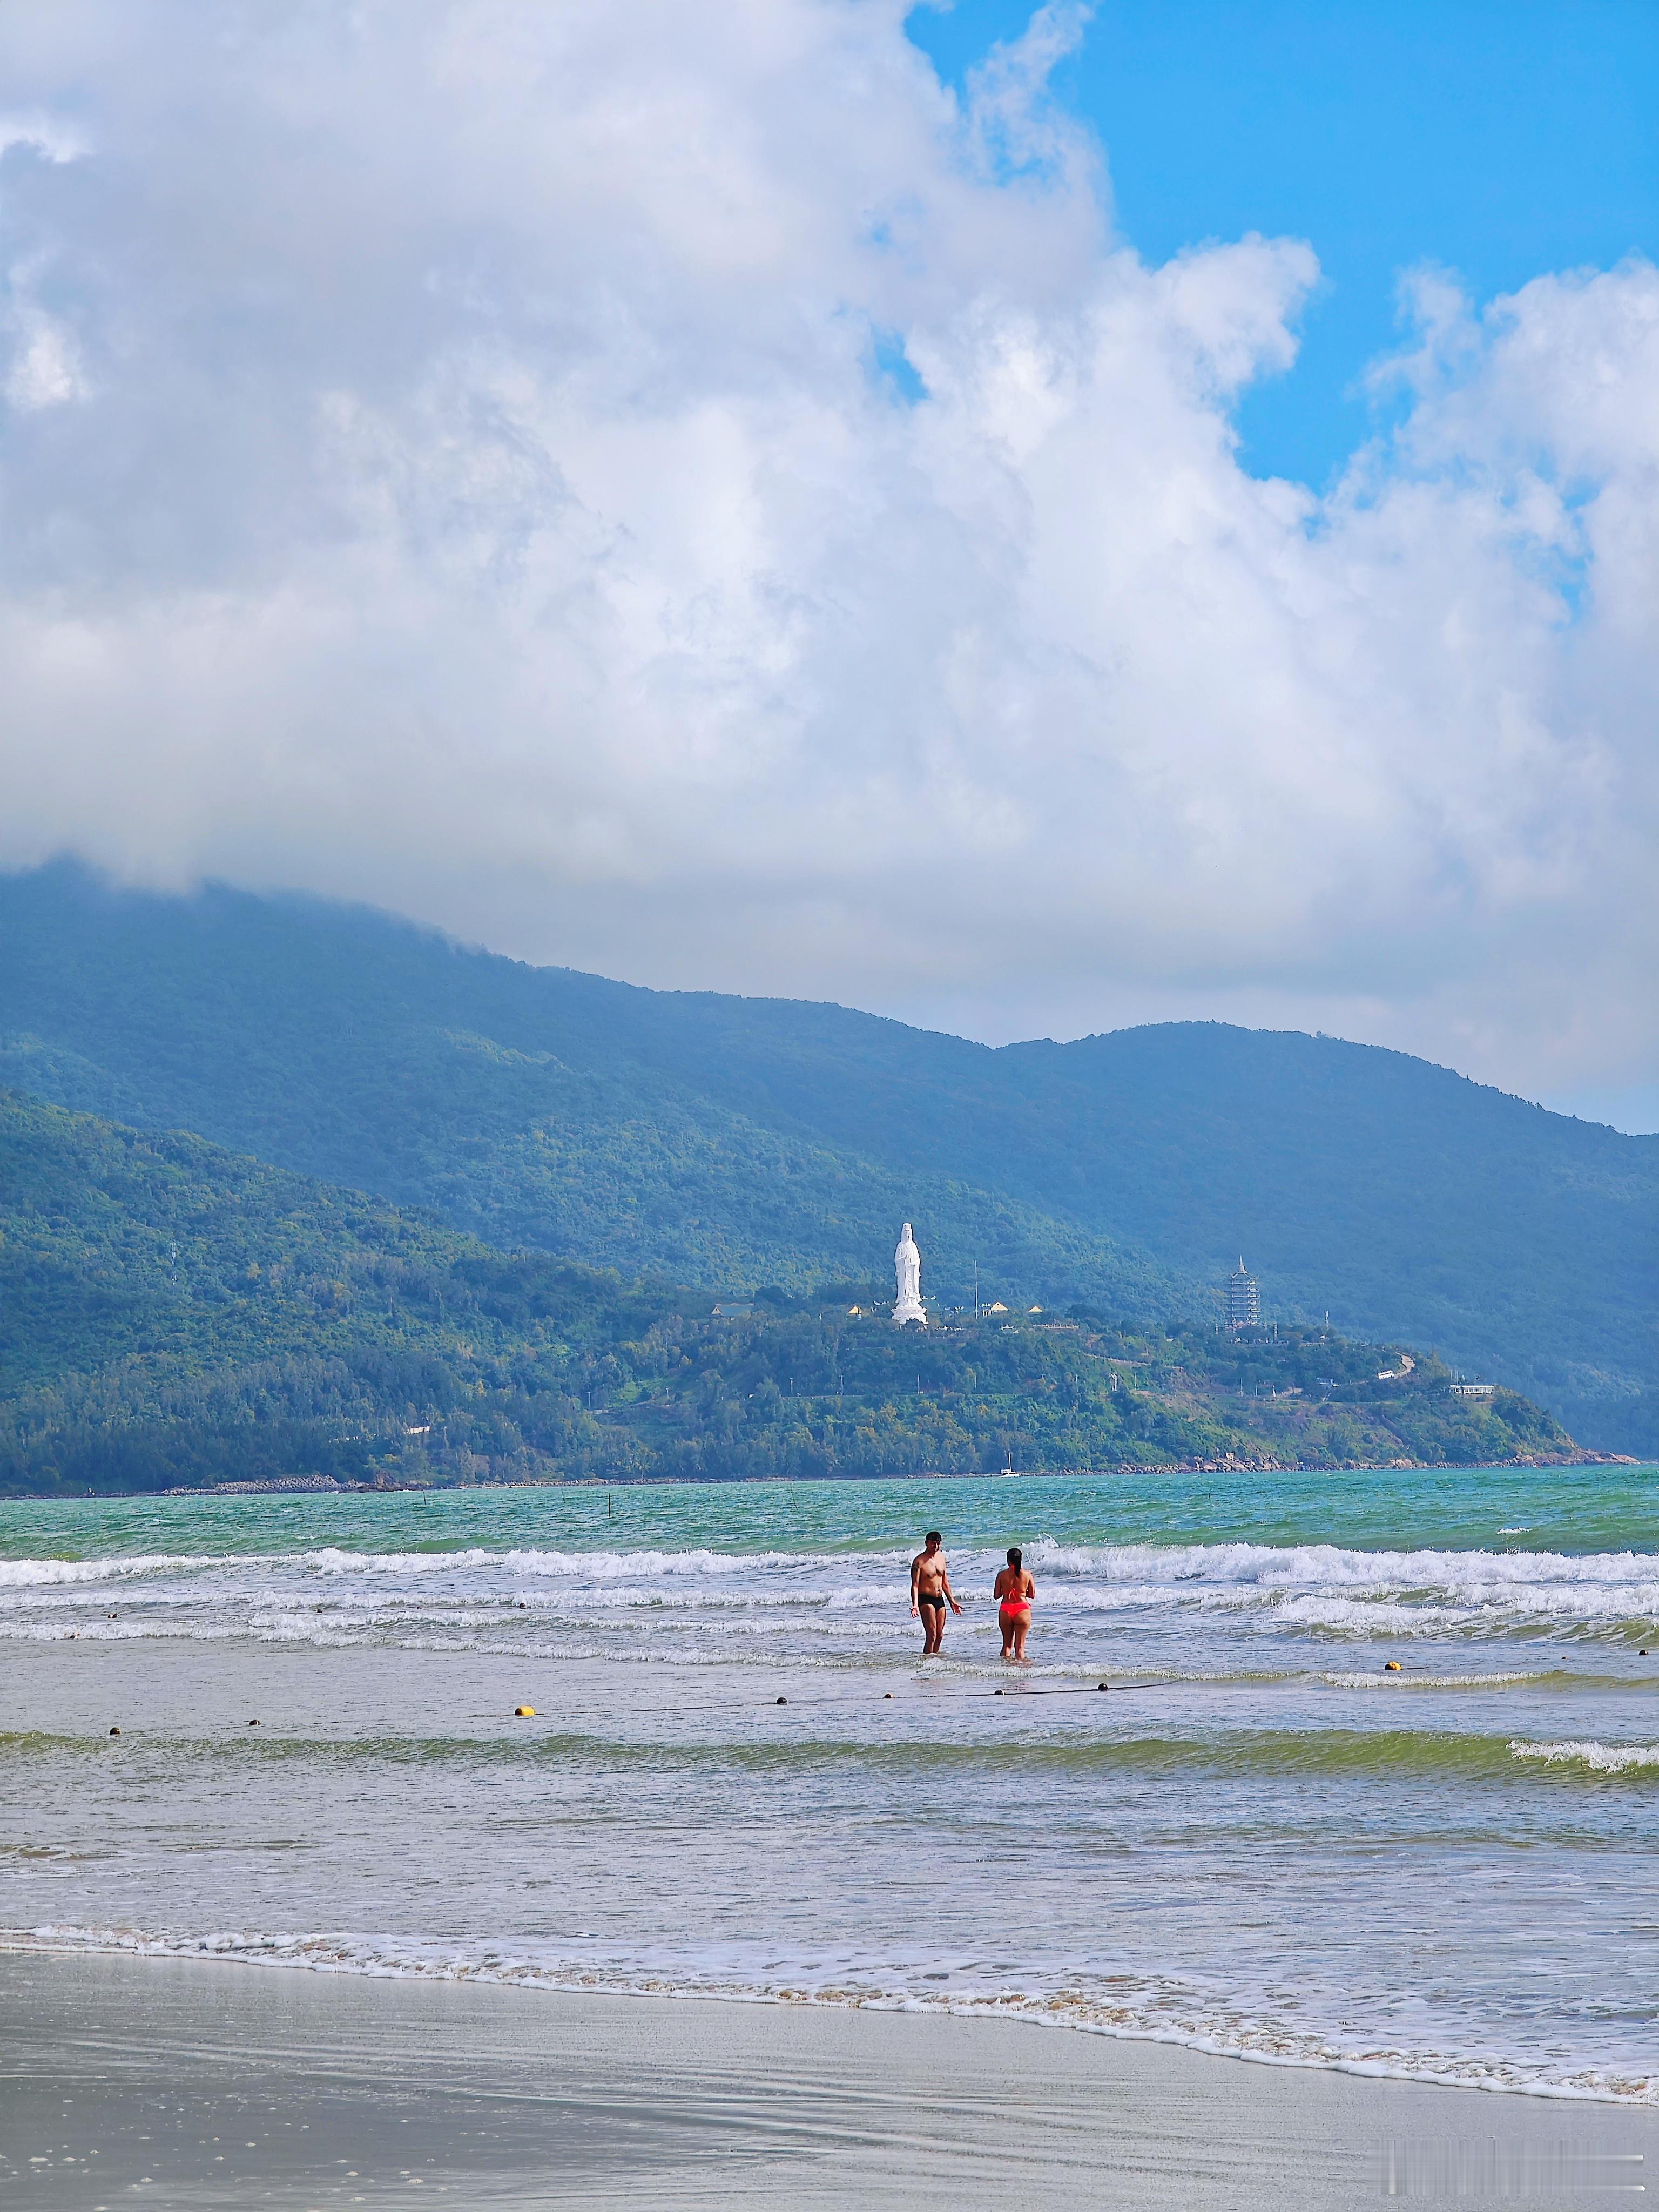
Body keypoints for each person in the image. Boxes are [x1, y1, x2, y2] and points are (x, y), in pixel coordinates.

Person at [909, 1530, 962, 1656]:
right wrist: (915, 1604)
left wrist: (952, 1602)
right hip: (926, 1599)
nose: (936, 1547)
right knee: (932, 1634)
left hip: (940, 1599)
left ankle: (935, 1660)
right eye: (933, 1544)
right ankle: (927, 1661)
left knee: (940, 1635)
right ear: (927, 1543)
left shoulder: (941, 1558)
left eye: (938, 1544)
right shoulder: (919, 1562)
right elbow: (915, 1585)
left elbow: (945, 1582)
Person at [994, 1546, 1035, 1662]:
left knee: (1007, 1646)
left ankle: (1005, 1673)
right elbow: (1032, 1595)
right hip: (1022, 1610)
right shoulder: (1027, 1574)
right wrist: (1021, 1593)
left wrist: (1007, 1592)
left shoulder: (1002, 1575)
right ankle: (1020, 1674)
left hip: (1006, 1610)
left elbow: (997, 1595)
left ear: (1008, 1561)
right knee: (1020, 1648)